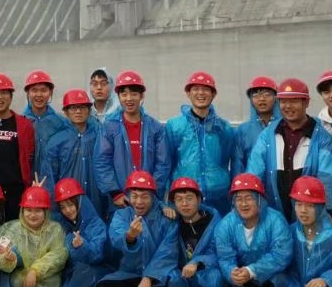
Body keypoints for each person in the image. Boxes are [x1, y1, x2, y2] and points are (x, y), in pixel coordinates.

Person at [144, 177, 225, 287]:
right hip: (185, 282)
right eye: (179, 199)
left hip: (205, 276)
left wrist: (197, 261)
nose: (184, 204)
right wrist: (148, 277)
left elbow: (219, 251)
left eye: (189, 198)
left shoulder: (214, 220)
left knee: (215, 275)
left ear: (199, 199)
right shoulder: (173, 221)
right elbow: (165, 251)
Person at [246, 78, 332, 223]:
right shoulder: (267, 135)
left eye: (294, 101)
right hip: (273, 217)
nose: (288, 106)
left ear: (306, 102)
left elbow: (327, 179)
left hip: (310, 217)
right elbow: (254, 174)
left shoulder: (322, 138)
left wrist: (326, 216)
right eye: (283, 101)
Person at [213, 173, 291, 287]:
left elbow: (281, 255)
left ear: (260, 199)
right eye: (238, 199)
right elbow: (225, 257)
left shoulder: (275, 220)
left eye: (249, 198)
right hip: (244, 280)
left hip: (270, 278)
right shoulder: (226, 224)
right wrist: (232, 272)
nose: (243, 204)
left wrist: (252, 270)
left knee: (277, 282)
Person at [88, 172, 169, 287]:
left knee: (176, 284)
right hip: (131, 274)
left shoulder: (166, 216)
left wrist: (150, 276)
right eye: (134, 196)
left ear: (153, 197)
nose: (139, 202)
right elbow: (116, 238)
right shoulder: (121, 215)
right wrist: (130, 236)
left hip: (160, 276)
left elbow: (168, 252)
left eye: (145, 196)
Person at [95, 71, 171, 221]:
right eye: (124, 94)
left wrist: (150, 194)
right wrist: (115, 192)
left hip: (149, 200)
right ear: (118, 97)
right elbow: (101, 162)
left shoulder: (155, 128)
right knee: (122, 233)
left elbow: (163, 164)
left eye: (134, 94)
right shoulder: (109, 127)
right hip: (120, 200)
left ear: (142, 96)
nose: (129, 99)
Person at [0, 186, 68, 287]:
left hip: (47, 275)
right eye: (29, 210)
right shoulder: (10, 229)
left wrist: (35, 270)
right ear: (22, 210)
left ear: (45, 212)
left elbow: (58, 255)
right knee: (17, 282)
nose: (33, 215)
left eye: (38, 210)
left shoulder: (55, 229)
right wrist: (9, 259)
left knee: (51, 282)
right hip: (18, 274)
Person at [163, 72, 237, 215]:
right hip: (185, 196)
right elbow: (167, 163)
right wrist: (165, 201)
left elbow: (228, 161)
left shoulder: (224, 128)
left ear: (213, 94)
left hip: (218, 197)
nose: (200, 93)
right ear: (188, 93)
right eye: (195, 89)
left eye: (206, 89)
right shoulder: (174, 126)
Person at [0, 74, 35, 222]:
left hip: (15, 192)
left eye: (4, 93)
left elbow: (29, 157)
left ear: (11, 96)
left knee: (13, 231)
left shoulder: (24, 125)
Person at [52, 178, 108, 287]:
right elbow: (42, 217)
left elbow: (97, 255)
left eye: (70, 204)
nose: (68, 210)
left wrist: (82, 246)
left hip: (93, 273)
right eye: (63, 207)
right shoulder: (62, 223)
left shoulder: (95, 224)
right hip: (71, 274)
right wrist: (38, 193)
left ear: (80, 202)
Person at [40, 88, 106, 219]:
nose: (78, 111)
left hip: (97, 200)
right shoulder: (56, 141)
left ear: (89, 110)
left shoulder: (100, 136)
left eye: (82, 107)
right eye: (73, 108)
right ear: (66, 112)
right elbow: (49, 176)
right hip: (67, 204)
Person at [22, 70, 68, 178]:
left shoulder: (60, 123)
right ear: (28, 93)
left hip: (53, 178)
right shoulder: (21, 122)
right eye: (34, 90)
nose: (39, 95)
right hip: (27, 180)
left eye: (43, 90)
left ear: (50, 92)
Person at [235, 76, 279, 168]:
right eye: (255, 95)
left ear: (276, 98)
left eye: (267, 94)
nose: (261, 99)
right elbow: (238, 164)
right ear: (251, 100)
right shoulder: (243, 131)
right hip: (252, 176)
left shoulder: (284, 126)